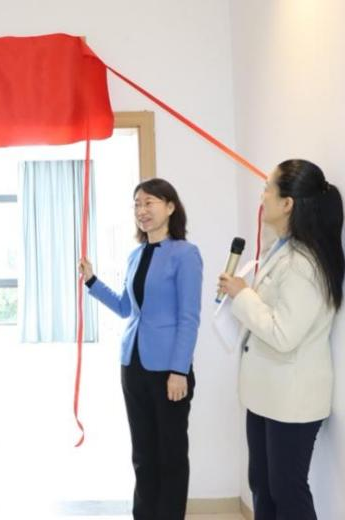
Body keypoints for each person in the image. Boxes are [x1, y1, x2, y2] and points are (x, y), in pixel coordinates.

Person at [218, 159, 345, 520]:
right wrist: (241, 293)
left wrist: (242, 295)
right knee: (262, 484)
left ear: (287, 203)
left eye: (267, 189)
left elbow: (284, 333)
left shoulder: (304, 262)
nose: (262, 197)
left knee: (287, 491)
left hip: (292, 398)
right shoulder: (284, 248)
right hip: (267, 393)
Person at [79, 178, 202, 520]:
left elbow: (189, 318)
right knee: (143, 455)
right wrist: (92, 281)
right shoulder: (136, 255)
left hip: (169, 371)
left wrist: (179, 370)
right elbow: (125, 308)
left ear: (170, 207)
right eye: (137, 204)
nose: (142, 210)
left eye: (149, 202)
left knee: (171, 455)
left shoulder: (186, 254)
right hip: (132, 365)